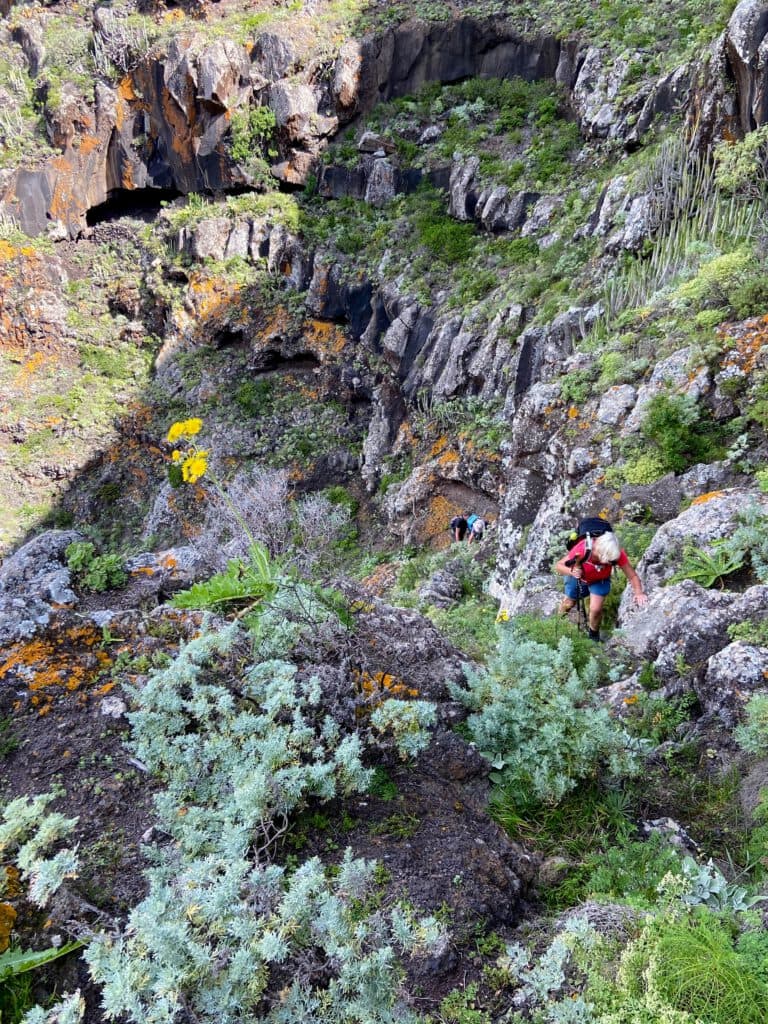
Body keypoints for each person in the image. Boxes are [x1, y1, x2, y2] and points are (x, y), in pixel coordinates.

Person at [555, 530, 647, 641]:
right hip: (577, 576)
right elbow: (559, 566)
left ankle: (593, 636)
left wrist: (639, 592)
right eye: (607, 560)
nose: (608, 563)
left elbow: (632, 576)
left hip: (599, 579)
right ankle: (556, 624)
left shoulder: (616, 553)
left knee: (596, 609)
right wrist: (571, 571)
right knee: (569, 603)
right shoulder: (582, 549)